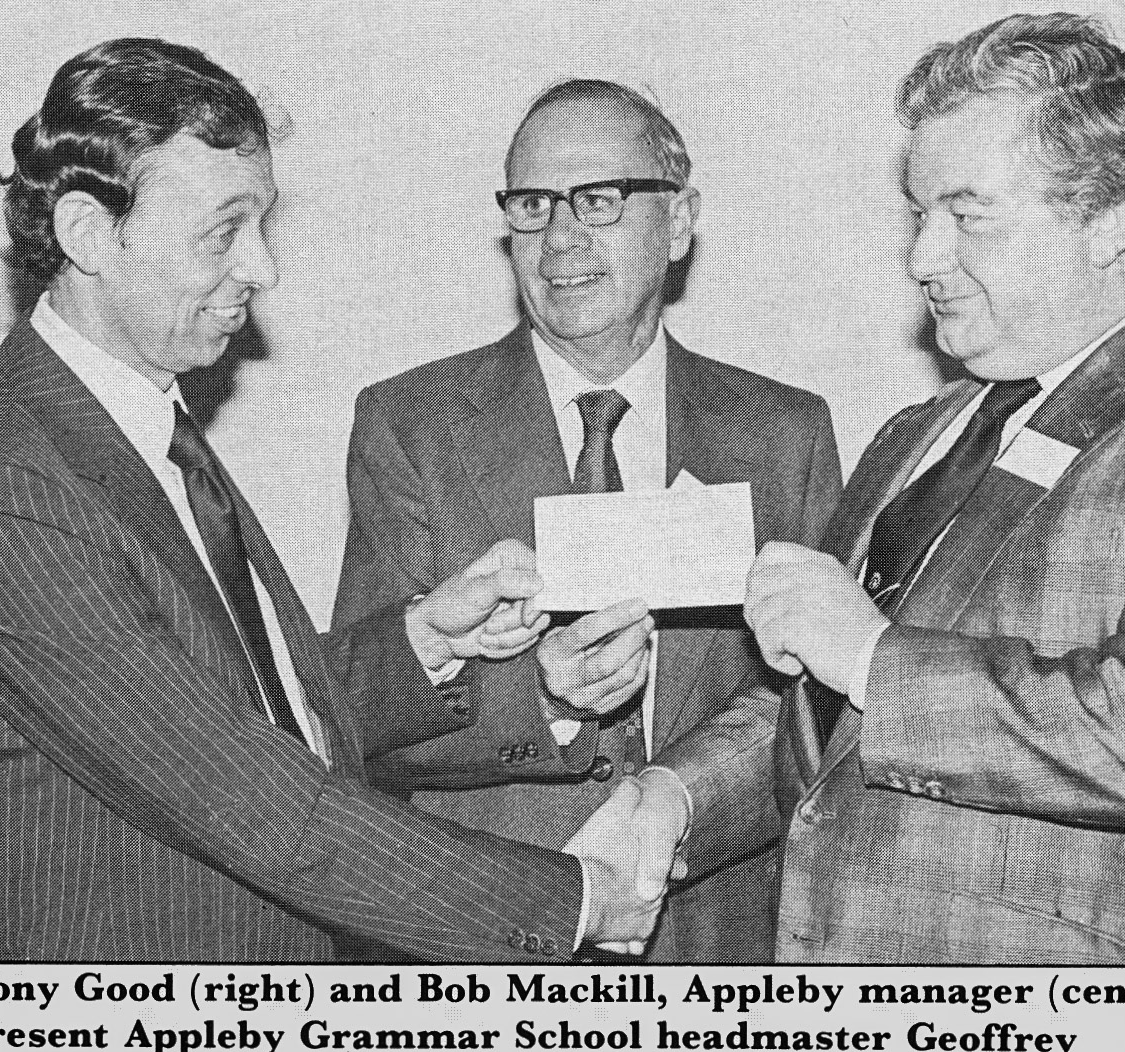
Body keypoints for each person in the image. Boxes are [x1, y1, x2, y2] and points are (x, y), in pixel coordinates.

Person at [0, 39, 674, 962]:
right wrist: (572, 900)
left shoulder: (132, 423)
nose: (262, 268)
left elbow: (246, 708)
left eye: (262, 226)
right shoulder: (4, 484)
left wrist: (422, 642)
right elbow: (242, 791)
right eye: (224, 231)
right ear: (89, 233)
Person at [732, 12, 1125, 963]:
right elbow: (825, 719)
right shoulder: (915, 436)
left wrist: (876, 659)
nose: (924, 258)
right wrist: (670, 800)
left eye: (967, 215)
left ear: (1110, 222)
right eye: (919, 214)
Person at [333, 79, 840, 961]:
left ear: (678, 221)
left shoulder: (783, 433)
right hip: (486, 940)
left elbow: (811, 713)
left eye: (599, 200)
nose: (561, 238)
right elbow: (361, 719)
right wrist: (543, 702)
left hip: (713, 938)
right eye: (533, 205)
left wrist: (679, 803)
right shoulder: (408, 424)